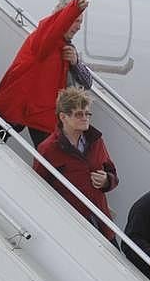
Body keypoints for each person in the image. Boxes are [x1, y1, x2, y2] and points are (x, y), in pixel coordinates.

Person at [0, 0, 94, 146]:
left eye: (80, 21)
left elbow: (87, 82)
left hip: (41, 111)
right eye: (75, 20)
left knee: (48, 156)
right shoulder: (42, 39)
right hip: (21, 104)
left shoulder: (67, 48)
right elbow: (53, 29)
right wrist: (73, 9)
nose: (79, 26)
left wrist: (76, 63)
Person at [33, 86, 119, 238]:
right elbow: (37, 187)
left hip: (101, 220)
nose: (85, 118)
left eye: (87, 114)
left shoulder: (96, 141)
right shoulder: (48, 149)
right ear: (63, 117)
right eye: (79, 114)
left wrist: (107, 180)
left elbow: (113, 174)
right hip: (70, 224)